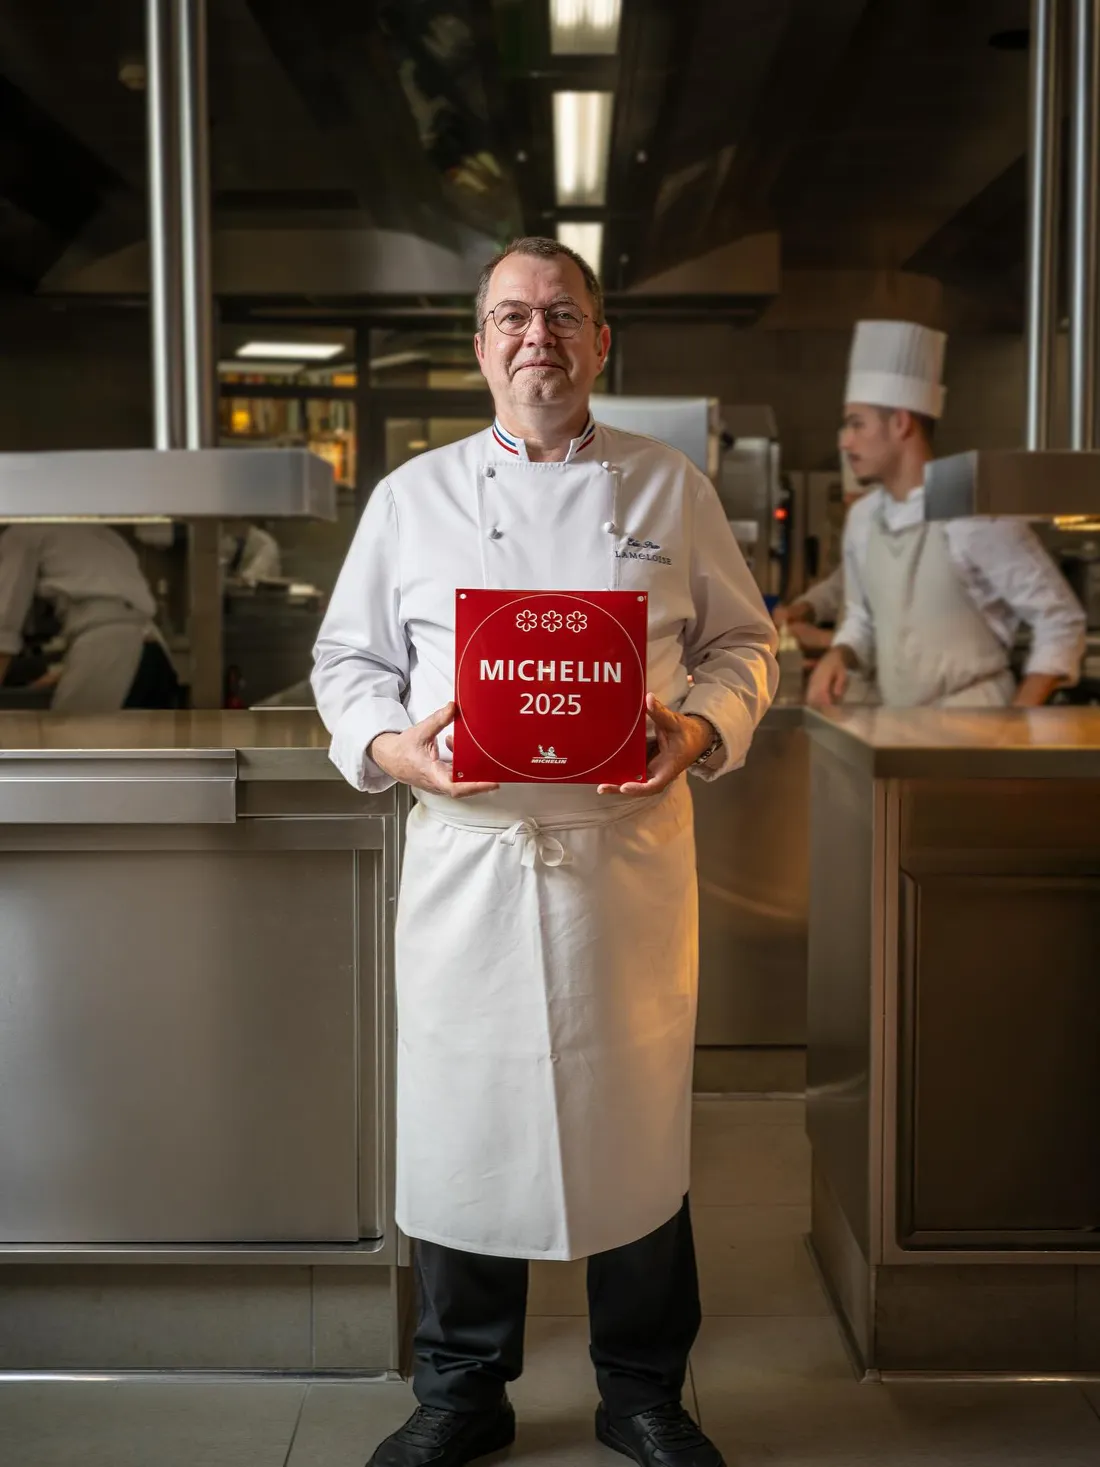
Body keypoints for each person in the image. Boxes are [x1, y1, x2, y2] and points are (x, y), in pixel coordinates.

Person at [312, 236, 778, 1467]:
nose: (537, 337)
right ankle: (462, 1390)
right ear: (479, 346)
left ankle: (641, 1392)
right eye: (511, 317)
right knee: (466, 1122)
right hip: (469, 863)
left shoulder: (669, 489)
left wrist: (694, 727)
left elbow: (746, 649)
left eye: (561, 316)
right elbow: (346, 665)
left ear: (599, 341)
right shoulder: (411, 497)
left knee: (633, 1123)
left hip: (620, 861)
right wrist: (392, 751)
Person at [808, 320, 1085, 710]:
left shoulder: (973, 514)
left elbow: (1060, 620)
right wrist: (840, 654)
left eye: (857, 424)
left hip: (975, 724)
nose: (844, 441)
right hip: (899, 727)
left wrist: (1017, 721)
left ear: (901, 423)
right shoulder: (863, 520)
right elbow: (862, 618)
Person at [0, 524, 180, 713]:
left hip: (108, 649)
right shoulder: (104, 534)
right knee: (149, 740)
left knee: (70, 739)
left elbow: (4, 629)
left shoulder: (21, 534)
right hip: (153, 647)